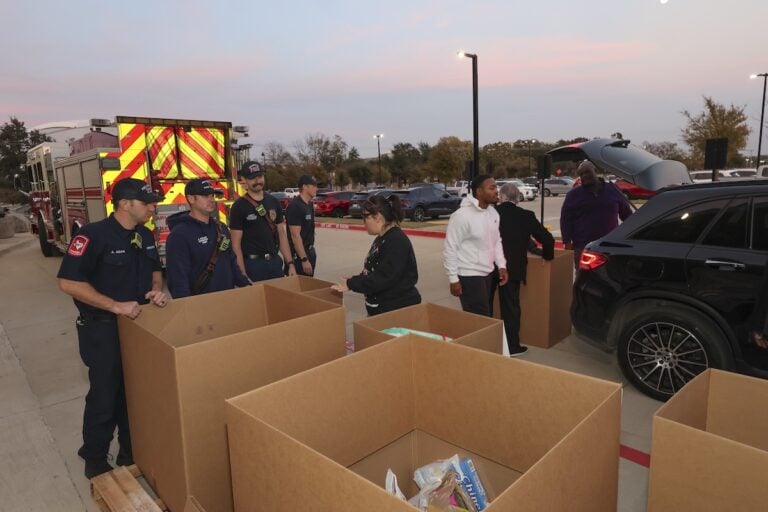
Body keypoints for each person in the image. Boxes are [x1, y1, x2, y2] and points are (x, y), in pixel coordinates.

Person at [56, 178, 168, 479]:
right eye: (147, 202)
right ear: (125, 204)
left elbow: (156, 271)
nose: (152, 207)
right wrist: (115, 306)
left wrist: (157, 290)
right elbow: (68, 282)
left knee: (134, 393)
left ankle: (129, 453)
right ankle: (94, 458)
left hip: (138, 328)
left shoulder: (145, 235)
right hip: (103, 329)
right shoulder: (92, 236)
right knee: (105, 395)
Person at [331, 194, 421, 315]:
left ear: (377, 217)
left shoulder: (396, 241)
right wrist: (355, 280)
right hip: (381, 308)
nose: (363, 223)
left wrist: (352, 283)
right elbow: (374, 271)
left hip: (396, 310)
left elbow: (382, 278)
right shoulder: (382, 237)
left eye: (365, 217)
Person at [496, 182, 555, 356]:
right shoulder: (526, 216)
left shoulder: (491, 213)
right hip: (513, 269)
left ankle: (486, 342)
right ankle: (512, 346)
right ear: (517, 198)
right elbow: (548, 239)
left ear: (501, 197)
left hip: (486, 267)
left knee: (485, 306)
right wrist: (548, 256)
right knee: (511, 308)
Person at [165, 178, 250, 298]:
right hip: (201, 306)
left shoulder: (222, 229)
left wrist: (245, 284)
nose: (211, 200)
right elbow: (178, 279)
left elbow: (231, 262)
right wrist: (185, 308)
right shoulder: (179, 235)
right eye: (205, 196)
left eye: (212, 195)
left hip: (228, 301)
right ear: (191, 199)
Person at [443, 174, 508, 317]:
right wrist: (453, 279)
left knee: (485, 317)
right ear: (479, 191)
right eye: (491, 188)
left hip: (488, 274)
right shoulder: (461, 216)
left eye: (496, 187)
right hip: (469, 276)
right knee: (480, 320)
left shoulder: (493, 213)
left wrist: (501, 265)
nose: (496, 191)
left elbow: (496, 241)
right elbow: (450, 248)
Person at [229, 161, 296, 282]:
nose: (257, 181)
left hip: (274, 264)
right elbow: (236, 245)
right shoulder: (238, 207)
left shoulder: (274, 202)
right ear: (244, 179)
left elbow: (281, 235)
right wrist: (242, 274)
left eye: (259, 177)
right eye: (252, 178)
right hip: (252, 266)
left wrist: (290, 263)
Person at [560, 160, 633, 266]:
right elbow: (566, 220)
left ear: (595, 171)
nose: (585, 176)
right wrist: (567, 242)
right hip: (583, 247)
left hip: (609, 245)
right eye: (581, 174)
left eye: (587, 172)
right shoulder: (573, 195)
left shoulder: (613, 189)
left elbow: (626, 214)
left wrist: (631, 235)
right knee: (584, 279)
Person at [285, 175, 318, 276]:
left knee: (308, 287)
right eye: (313, 185)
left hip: (310, 251)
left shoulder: (309, 204)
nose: (316, 188)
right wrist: (304, 259)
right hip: (299, 256)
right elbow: (295, 236)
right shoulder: (295, 206)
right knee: (299, 288)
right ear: (304, 187)